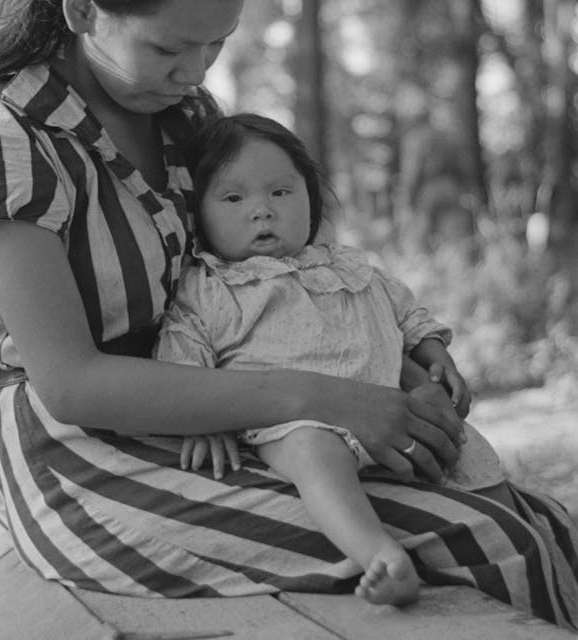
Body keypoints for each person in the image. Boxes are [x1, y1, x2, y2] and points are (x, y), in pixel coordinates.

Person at [0, 0, 578, 628]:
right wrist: (328, 396)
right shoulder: (0, 130)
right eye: (169, 48)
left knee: (543, 523)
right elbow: (72, 383)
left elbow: (276, 278)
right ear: (80, 9)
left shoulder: (185, 120)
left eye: (215, 46)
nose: (193, 71)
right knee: (480, 541)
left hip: (247, 412)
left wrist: (397, 360)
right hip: (90, 450)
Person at [154, 113, 507, 607]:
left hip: (391, 411)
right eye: (234, 198)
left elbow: (405, 313)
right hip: (292, 423)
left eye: (281, 193)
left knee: (464, 443)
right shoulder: (210, 286)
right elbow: (182, 349)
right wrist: (203, 416)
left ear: (310, 197)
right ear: (200, 213)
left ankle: (508, 522)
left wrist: (434, 353)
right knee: (313, 453)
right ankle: (380, 556)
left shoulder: (351, 265)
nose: (263, 211)